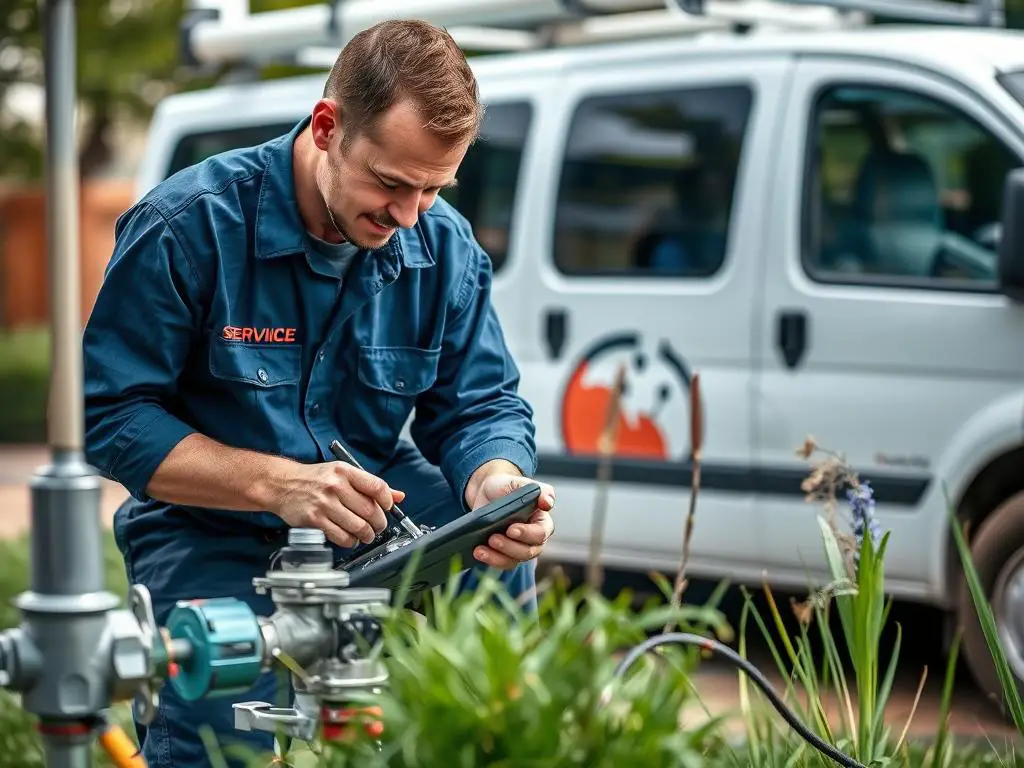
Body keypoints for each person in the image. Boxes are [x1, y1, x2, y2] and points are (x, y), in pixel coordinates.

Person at [82, 19, 556, 768]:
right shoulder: (187, 226)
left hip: (373, 517)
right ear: (328, 126)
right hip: (208, 532)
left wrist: (494, 479)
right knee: (218, 741)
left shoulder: (447, 247)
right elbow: (112, 420)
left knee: (492, 553)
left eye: (434, 188)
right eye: (392, 183)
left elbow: (479, 404)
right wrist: (277, 483)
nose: (409, 216)